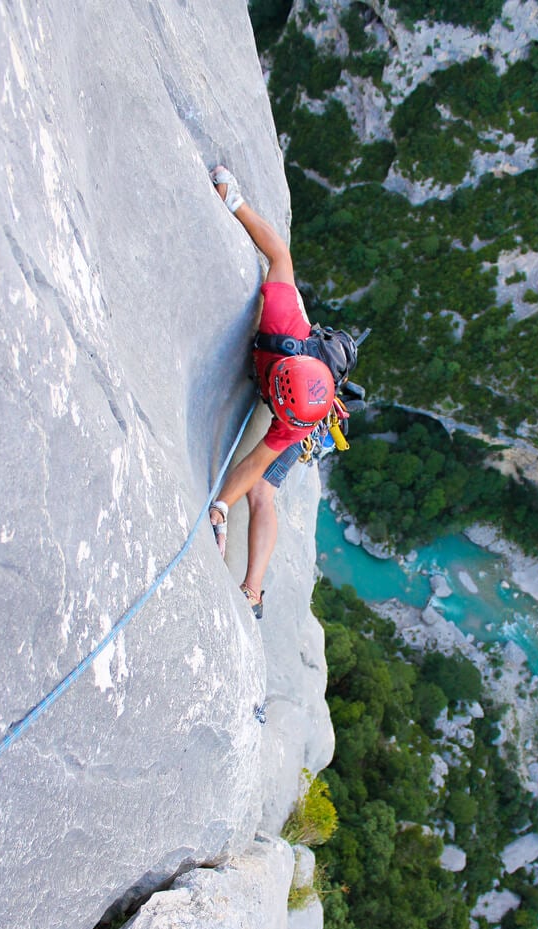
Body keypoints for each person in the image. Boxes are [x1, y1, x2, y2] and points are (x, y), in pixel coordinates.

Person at [208, 166, 336, 620]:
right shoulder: (283, 320)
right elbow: (278, 254)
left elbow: (257, 461)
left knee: (262, 490)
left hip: (315, 407)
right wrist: (235, 202)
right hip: (303, 384)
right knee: (253, 487)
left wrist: (220, 507)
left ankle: (253, 592)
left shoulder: (295, 420)